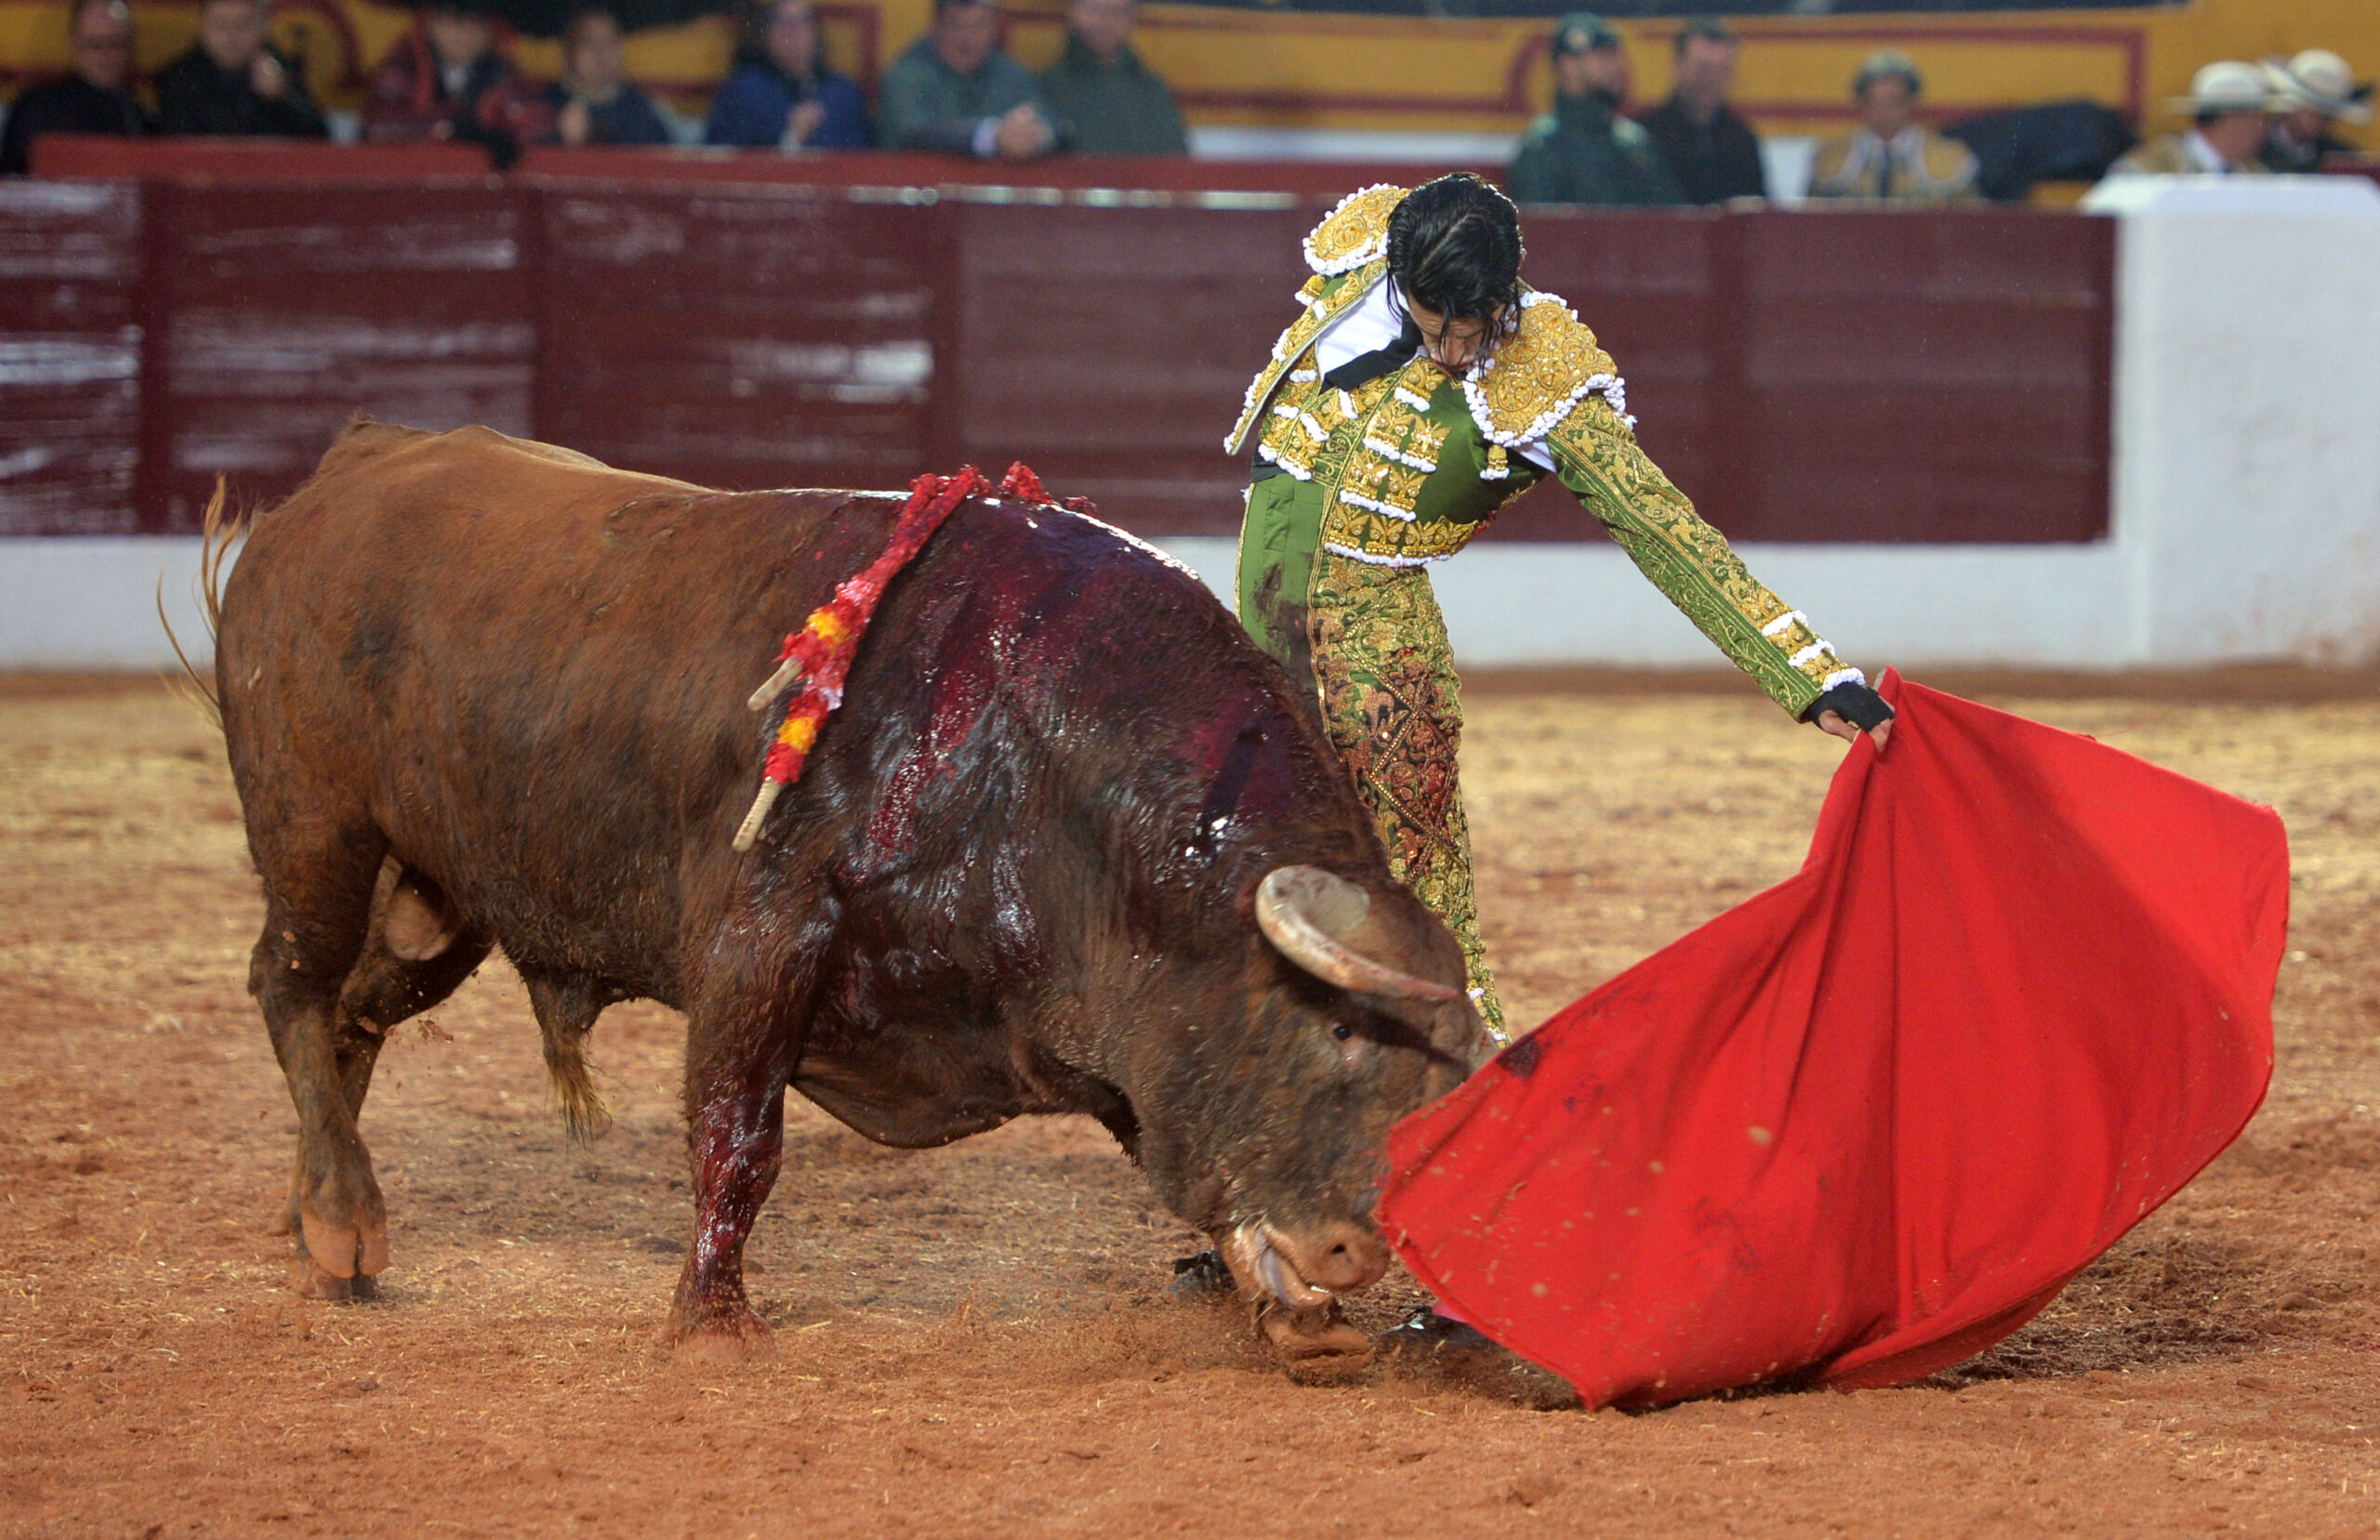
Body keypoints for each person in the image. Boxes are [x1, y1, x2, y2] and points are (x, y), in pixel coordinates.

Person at [1225, 175, 1892, 1052]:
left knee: (1418, 890)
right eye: (1434, 326)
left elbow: (1662, 528)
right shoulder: (1359, 255)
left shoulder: (1542, 371)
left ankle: (1467, 1082)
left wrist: (1809, 674)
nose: (1454, 352)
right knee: (1260, 857)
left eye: (1473, 329)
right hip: (1255, 630)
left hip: (1377, 656)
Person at [1507, 13, 1682, 207]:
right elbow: (1536, 222)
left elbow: (1669, 216)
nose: (1616, 67)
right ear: (1568, 66)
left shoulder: (1633, 143)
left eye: (1616, 56)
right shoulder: (1543, 147)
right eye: (1603, 57)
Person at [363, 0, 553, 168]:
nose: (467, 34)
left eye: (478, 22)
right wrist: (449, 127)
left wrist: (493, 131)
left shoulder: (502, 72)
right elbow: (378, 127)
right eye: (456, 21)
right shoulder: (401, 69)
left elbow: (535, 124)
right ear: (431, 22)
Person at [879, 0, 1054, 160]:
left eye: (979, 26)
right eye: (956, 25)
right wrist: (991, 137)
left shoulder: (1009, 72)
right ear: (936, 27)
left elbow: (1052, 121)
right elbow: (911, 131)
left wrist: (1034, 135)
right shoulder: (906, 74)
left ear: (994, 28)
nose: (967, 39)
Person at [1807, 50, 1979, 203]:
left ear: (1912, 102)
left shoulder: (1949, 156)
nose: (1884, 112)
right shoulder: (1830, 157)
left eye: (1895, 102)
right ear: (1861, 104)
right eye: (1874, 102)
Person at [1, 0, 148, 176]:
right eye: (95, 45)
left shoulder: (136, 114)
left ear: (131, 46)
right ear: (74, 44)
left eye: (116, 44)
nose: (106, 55)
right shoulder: (37, 108)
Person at [703, 0, 868, 151]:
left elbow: (863, 157)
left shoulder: (842, 94)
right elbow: (720, 157)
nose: (792, 32)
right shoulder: (743, 92)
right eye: (781, 22)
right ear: (766, 33)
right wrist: (789, 139)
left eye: (802, 21)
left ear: (817, 32)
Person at [1632, 20, 1765, 204]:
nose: (1711, 80)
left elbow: (1757, 210)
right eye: (1703, 69)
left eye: (1722, 71)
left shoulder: (1741, 138)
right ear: (1677, 66)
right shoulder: (1643, 136)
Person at [155, 0, 327, 139]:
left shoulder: (283, 70)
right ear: (202, 26)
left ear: (263, 26)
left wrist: (281, 97)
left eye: (243, 24)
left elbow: (319, 138)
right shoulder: (178, 77)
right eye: (221, 24)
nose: (231, 35)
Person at [1035, 0, 1185, 156]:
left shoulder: (1152, 88)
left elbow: (1176, 157)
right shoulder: (1049, 87)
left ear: (1132, 19)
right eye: (1094, 9)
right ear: (1073, 13)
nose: (1104, 21)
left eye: (1116, 12)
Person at [2103, 62, 2273, 178]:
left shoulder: (2253, 173)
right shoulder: (2152, 167)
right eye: (2260, 116)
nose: (2265, 127)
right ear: (2232, 117)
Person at [544, 7, 669, 147]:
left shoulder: (643, 110)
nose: (601, 51)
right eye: (589, 41)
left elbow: (668, 154)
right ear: (569, 50)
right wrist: (563, 140)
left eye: (610, 41)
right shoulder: (546, 107)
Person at [2263, 49, 2371, 173]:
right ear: (2292, 105)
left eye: (2327, 115)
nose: (2321, 121)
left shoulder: (2343, 159)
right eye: (2312, 111)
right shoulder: (2254, 148)